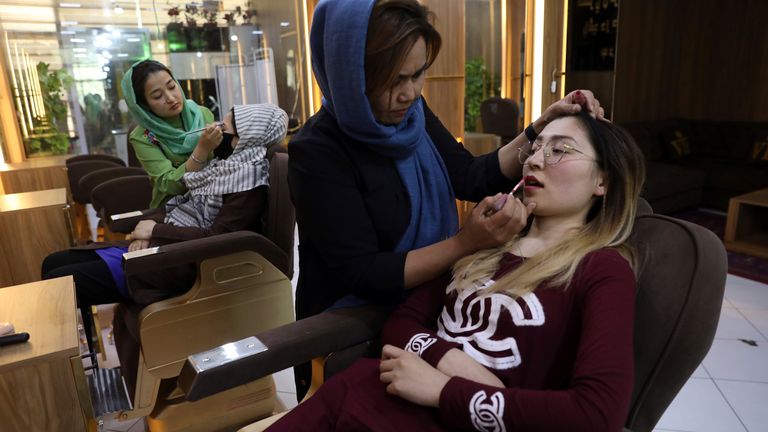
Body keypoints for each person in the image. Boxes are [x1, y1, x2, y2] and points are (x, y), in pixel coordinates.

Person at [289, 0, 604, 396]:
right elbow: (366, 272)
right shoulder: (315, 152)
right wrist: (464, 244)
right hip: (353, 319)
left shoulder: (412, 113)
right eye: (392, 80)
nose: (409, 93)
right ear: (347, 75)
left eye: (418, 74)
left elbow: (470, 176)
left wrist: (537, 128)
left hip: (424, 309)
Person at [268, 110, 646, 431]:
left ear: (603, 181)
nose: (533, 159)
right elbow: (401, 323)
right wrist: (453, 363)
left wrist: (443, 391)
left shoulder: (603, 269)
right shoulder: (491, 244)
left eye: (559, 150)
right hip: (366, 392)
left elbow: (598, 415)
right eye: (536, 147)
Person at [41, 103, 287, 348]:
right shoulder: (225, 167)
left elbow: (217, 238)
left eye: (224, 128)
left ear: (244, 139)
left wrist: (155, 232)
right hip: (163, 245)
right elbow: (182, 205)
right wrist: (147, 228)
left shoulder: (249, 185)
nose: (217, 132)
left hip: (177, 261)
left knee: (59, 281)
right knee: (53, 263)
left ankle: (59, 365)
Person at [121, 59, 224, 208]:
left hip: (214, 196)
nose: (171, 98)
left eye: (171, 86)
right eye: (157, 96)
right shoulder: (143, 137)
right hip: (173, 207)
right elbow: (169, 184)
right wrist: (202, 149)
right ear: (144, 105)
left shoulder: (202, 114)